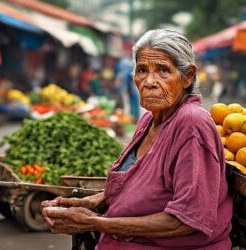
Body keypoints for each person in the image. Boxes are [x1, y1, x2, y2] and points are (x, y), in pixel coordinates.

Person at [42, 29, 232, 249]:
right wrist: (90, 202)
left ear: (187, 76)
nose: (150, 81)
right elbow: (138, 185)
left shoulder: (191, 124)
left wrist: (95, 222)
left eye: (163, 71)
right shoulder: (148, 120)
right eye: (142, 70)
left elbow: (187, 219)